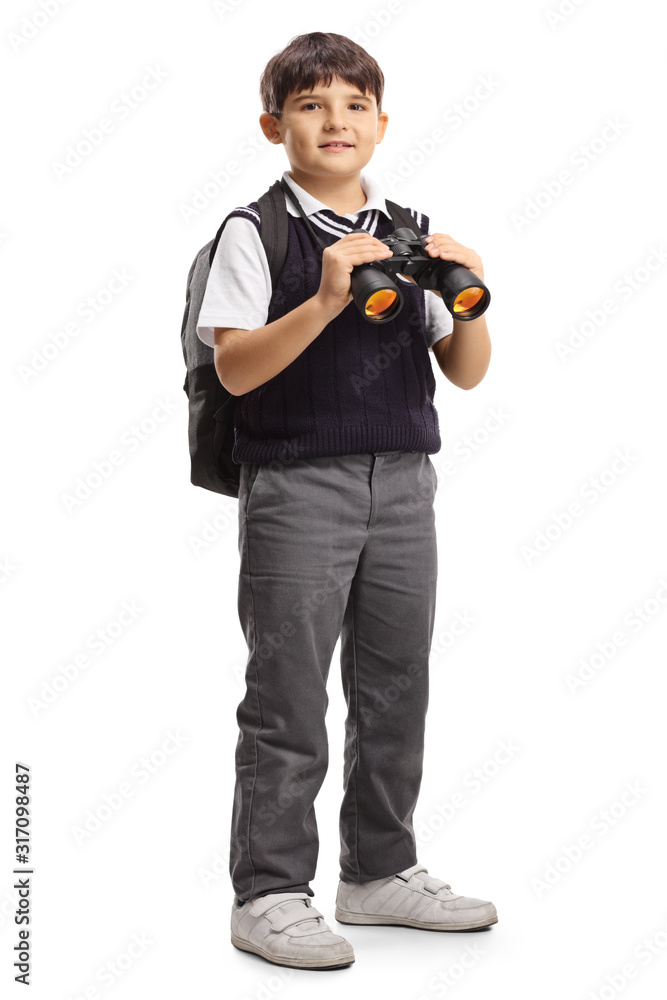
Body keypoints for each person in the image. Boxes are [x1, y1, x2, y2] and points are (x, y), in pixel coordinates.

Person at [196, 31, 496, 971]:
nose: (336, 122)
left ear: (381, 122)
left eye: (354, 105)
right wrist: (326, 299)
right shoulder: (258, 231)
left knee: (394, 687)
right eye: (312, 106)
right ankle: (269, 892)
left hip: (405, 482)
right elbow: (235, 369)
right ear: (272, 124)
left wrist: (474, 293)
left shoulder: (407, 230)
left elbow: (466, 372)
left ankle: (377, 872)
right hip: (298, 484)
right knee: (287, 696)